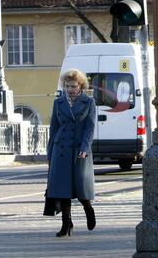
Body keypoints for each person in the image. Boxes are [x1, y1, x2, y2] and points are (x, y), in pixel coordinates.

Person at [46, 69, 97, 237]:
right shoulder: (58, 102)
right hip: (60, 149)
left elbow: (90, 128)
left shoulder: (89, 102)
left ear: (80, 85)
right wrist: (49, 153)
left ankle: (88, 209)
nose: (70, 89)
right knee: (62, 189)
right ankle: (66, 224)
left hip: (79, 149)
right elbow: (54, 128)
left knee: (80, 186)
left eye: (73, 86)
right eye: (67, 86)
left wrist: (84, 148)